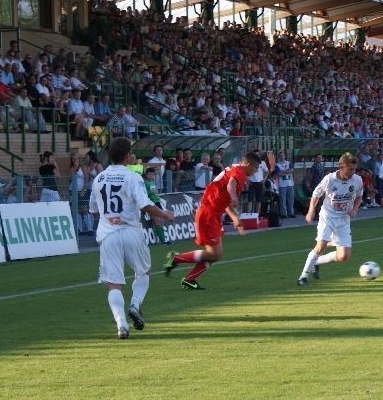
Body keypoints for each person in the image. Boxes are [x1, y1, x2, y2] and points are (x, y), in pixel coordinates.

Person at [89, 137, 176, 339]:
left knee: (113, 283)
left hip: (108, 234)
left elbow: (94, 210)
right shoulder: (132, 177)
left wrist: (110, 217)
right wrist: (165, 214)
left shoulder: (99, 178)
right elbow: (144, 204)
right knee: (143, 271)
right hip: (131, 232)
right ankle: (135, 305)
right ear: (128, 156)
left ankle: (121, 325)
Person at [163, 151, 262, 290]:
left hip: (213, 214)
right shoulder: (239, 173)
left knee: (215, 254)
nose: (256, 170)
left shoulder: (235, 170)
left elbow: (225, 196)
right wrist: (234, 197)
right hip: (208, 214)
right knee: (214, 254)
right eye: (256, 167)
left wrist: (235, 218)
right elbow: (231, 185)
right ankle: (176, 259)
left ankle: (189, 279)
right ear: (248, 164)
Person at [296, 152, 363, 286]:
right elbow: (316, 195)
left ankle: (317, 262)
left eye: (354, 169)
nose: (353, 172)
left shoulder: (357, 180)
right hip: (328, 216)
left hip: (343, 219)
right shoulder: (329, 179)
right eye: (350, 169)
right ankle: (303, 277)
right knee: (321, 245)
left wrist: (355, 209)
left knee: (343, 256)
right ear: (341, 166)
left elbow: (359, 196)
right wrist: (311, 211)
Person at [143, 167, 169, 245]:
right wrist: (151, 192)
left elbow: (154, 192)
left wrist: (156, 193)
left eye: (152, 175)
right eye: (149, 174)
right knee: (157, 220)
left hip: (157, 202)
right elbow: (143, 193)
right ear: (146, 175)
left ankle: (162, 238)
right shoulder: (144, 182)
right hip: (151, 203)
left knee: (160, 220)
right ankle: (163, 241)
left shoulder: (153, 182)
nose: (151, 176)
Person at [274, 150, 295, 218]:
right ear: (279, 157)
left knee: (290, 199)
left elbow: (292, 170)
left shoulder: (288, 163)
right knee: (283, 200)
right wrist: (287, 171)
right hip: (282, 185)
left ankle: (291, 213)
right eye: (280, 156)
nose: (282, 157)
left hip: (290, 184)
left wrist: (283, 171)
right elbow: (279, 174)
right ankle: (283, 213)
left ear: (284, 156)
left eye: (283, 155)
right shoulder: (277, 165)